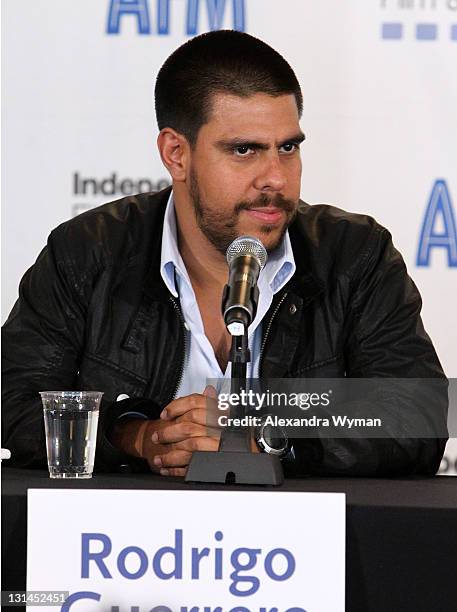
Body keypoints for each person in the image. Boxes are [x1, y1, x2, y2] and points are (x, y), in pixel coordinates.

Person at [2, 30, 447, 477]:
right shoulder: (88, 253)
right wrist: (136, 436)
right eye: (244, 150)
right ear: (176, 154)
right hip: (127, 541)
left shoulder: (355, 255)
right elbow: (12, 400)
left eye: (288, 147)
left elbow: (418, 416)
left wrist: (265, 438)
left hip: (298, 539)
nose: (275, 177)